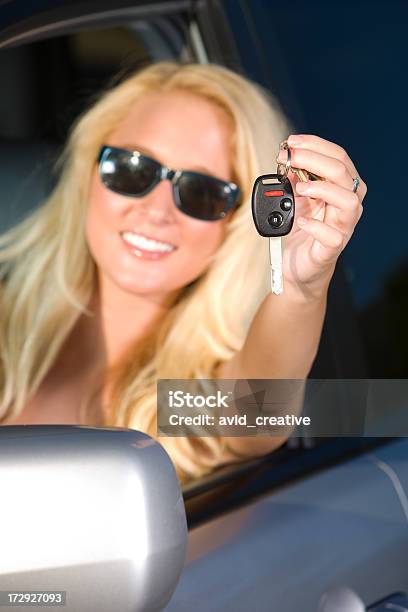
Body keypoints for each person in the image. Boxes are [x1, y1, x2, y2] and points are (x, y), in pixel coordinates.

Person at [0, 61, 367, 483]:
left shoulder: (188, 398)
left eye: (202, 193)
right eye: (132, 168)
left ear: (233, 226)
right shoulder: (7, 329)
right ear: (89, 174)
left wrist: (300, 288)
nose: (157, 211)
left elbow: (255, 414)